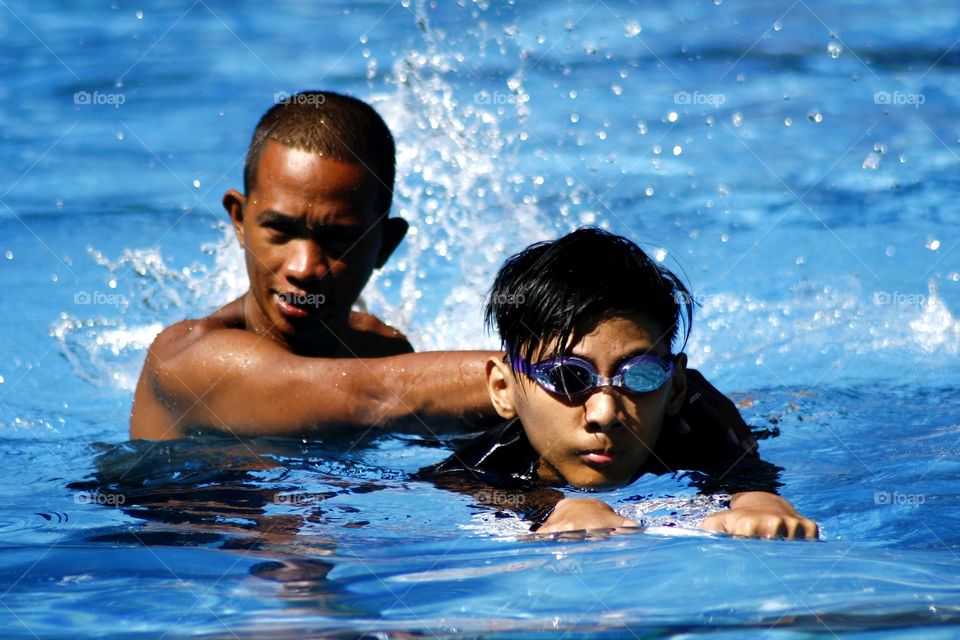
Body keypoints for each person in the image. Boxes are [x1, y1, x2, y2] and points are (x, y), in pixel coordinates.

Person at [129, 90, 759, 457]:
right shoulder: (187, 360)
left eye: (341, 239)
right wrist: (573, 377)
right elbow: (363, 398)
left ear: (388, 243)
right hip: (183, 551)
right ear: (239, 220)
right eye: (280, 229)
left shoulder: (384, 348)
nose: (305, 266)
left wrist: (643, 395)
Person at [420, 228, 818, 539]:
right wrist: (552, 505)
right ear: (504, 389)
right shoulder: (492, 455)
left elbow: (741, 469)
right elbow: (454, 483)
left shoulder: (701, 430)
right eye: (565, 376)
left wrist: (760, 500)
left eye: (640, 375)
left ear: (675, 388)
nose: (606, 413)